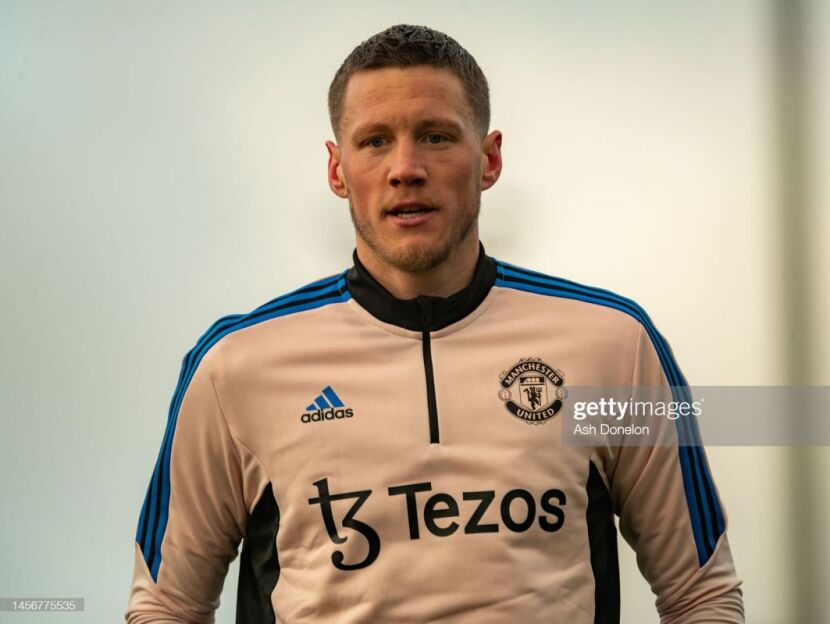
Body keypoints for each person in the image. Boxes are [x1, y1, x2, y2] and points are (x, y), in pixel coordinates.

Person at [126, 23, 744, 623]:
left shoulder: (612, 344)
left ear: (489, 159)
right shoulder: (235, 366)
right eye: (375, 141)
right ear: (337, 170)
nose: (405, 168)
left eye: (436, 137)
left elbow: (701, 597)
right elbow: (166, 606)